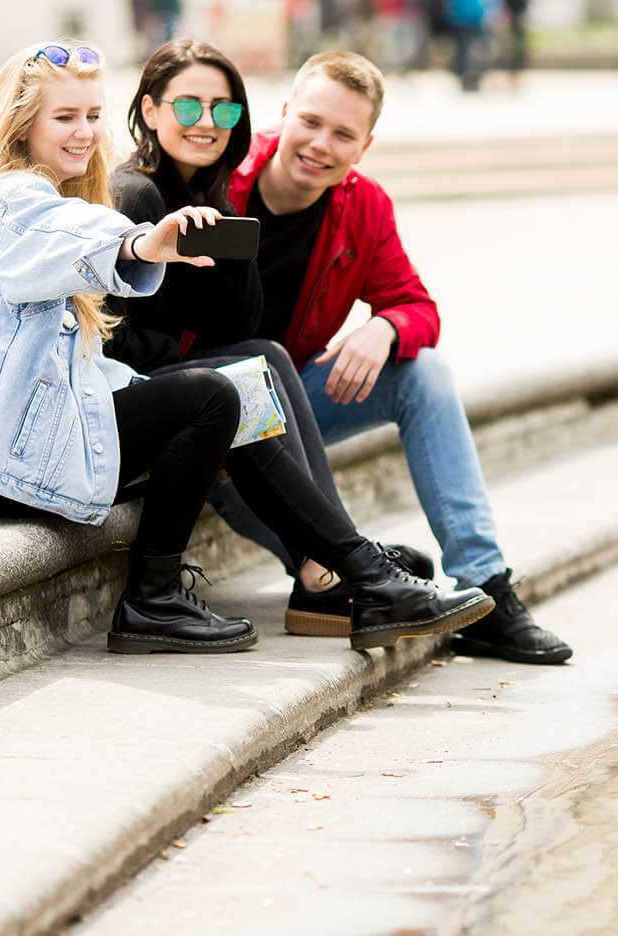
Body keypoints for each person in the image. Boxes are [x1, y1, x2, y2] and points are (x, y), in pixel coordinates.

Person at [0, 41, 493, 656]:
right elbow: (88, 242)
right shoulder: (18, 202)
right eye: (65, 117)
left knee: (237, 381)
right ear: (22, 123)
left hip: (7, 446)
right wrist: (147, 245)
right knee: (216, 393)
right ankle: (211, 590)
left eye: (93, 117)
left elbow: (217, 326)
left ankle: (350, 572)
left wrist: (214, 204)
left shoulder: (26, 194)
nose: (85, 133)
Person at [227, 50, 572, 664]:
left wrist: (384, 327)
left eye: (343, 134)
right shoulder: (222, 182)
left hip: (297, 402)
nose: (319, 145)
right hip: (218, 425)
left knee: (424, 373)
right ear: (283, 113)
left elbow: (418, 306)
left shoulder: (362, 205)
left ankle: (485, 588)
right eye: (310, 122)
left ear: (365, 145)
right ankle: (346, 567)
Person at [105, 37, 436, 635]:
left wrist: (230, 225)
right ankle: (340, 566)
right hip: (132, 406)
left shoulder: (208, 191)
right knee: (246, 376)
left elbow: (237, 326)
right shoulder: (138, 194)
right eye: (187, 108)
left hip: (180, 391)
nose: (207, 124)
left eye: (225, 110)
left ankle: (334, 569)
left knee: (267, 354)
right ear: (150, 111)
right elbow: (111, 337)